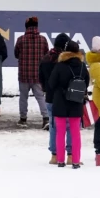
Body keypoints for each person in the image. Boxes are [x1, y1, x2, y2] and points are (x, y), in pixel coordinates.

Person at [47, 41, 89, 169]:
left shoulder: (59, 66)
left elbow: (51, 84)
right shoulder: (82, 66)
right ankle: (75, 161)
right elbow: (86, 84)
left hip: (60, 102)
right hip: (76, 102)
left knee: (60, 132)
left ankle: (60, 160)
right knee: (75, 133)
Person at [40, 34, 74, 164]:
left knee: (54, 127)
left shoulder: (45, 59)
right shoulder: (66, 60)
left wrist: (47, 90)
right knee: (70, 126)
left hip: (50, 97)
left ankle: (54, 155)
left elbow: (41, 79)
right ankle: (70, 155)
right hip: (67, 97)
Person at [13, 16, 49, 127]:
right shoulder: (43, 39)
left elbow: (16, 54)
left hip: (24, 74)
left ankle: (23, 119)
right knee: (40, 97)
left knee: (23, 97)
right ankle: (46, 118)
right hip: (38, 75)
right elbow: (46, 55)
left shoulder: (20, 39)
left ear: (26, 27)